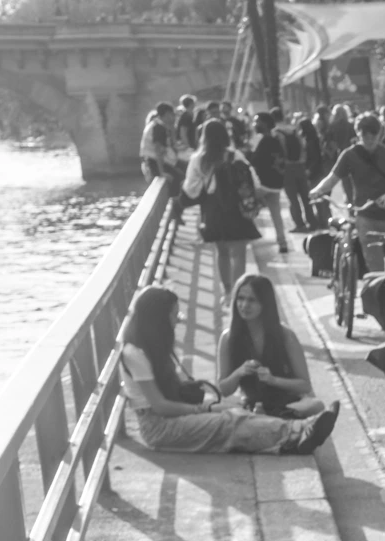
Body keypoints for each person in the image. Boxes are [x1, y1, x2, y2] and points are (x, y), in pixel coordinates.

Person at [119, 286, 339, 455]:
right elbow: (160, 406)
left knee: (234, 409)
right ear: (158, 319)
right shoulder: (135, 353)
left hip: (171, 416)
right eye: (174, 315)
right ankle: (296, 432)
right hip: (159, 427)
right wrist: (203, 409)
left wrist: (208, 406)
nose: (177, 320)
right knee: (227, 421)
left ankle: (294, 434)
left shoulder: (154, 346)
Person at [310, 111, 385, 271]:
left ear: (380, 134)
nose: (369, 139)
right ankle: (378, 292)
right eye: (365, 134)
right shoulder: (349, 155)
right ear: (358, 133)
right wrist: (318, 190)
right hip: (365, 216)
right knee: (374, 264)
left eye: (373, 134)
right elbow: (332, 178)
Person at [218, 274, 326, 418]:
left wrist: (273, 380)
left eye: (252, 300)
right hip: (250, 407)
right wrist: (239, 372)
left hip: (288, 404)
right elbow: (224, 389)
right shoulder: (228, 338)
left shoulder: (286, 335)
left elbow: (305, 385)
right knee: (218, 410)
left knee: (317, 405)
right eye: (240, 298)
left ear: (265, 304)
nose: (244, 305)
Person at [184, 119, 260, 306]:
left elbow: (190, 189)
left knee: (222, 252)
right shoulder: (235, 155)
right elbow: (253, 181)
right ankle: (238, 294)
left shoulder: (198, 159)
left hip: (213, 209)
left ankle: (226, 292)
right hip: (235, 208)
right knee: (239, 253)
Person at [244, 112, 291, 255]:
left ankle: (246, 238)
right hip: (275, 184)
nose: (254, 124)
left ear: (264, 124)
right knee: (276, 214)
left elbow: (255, 162)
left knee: (247, 209)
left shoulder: (263, 141)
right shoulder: (276, 139)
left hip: (262, 184)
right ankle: (282, 242)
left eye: (257, 121)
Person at [139, 103, 178, 183]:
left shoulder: (155, 124)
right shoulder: (159, 128)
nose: (174, 117)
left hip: (151, 161)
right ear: (167, 114)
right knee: (180, 178)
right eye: (172, 114)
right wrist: (162, 172)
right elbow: (158, 150)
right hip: (154, 164)